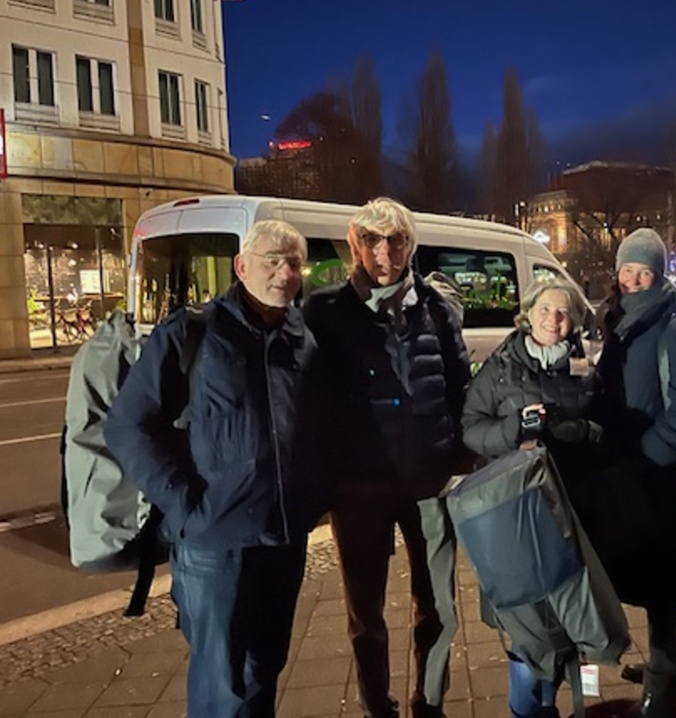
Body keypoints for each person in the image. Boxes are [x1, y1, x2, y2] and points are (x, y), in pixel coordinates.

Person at [105, 220, 330, 717]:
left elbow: (314, 429)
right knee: (219, 688)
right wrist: (186, 509)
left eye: (294, 262)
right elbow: (128, 426)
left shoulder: (301, 338)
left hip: (282, 540)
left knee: (264, 671)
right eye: (272, 259)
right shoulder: (194, 331)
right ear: (241, 266)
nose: (285, 273)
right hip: (214, 544)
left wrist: (314, 497)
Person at [302, 197, 470, 718]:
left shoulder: (437, 310)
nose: (385, 252)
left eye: (395, 240)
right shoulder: (324, 311)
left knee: (436, 606)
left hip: (428, 481)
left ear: (409, 245)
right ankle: (379, 705)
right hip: (359, 490)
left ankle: (429, 700)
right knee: (365, 616)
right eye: (372, 240)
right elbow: (307, 401)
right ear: (355, 245)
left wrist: (465, 459)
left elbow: (461, 390)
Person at [594, 228, 676, 718]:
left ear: (658, 275)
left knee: (662, 582)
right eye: (627, 269)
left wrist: (647, 452)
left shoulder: (672, 329)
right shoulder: (619, 321)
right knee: (643, 576)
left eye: (643, 271)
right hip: (626, 476)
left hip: (655, 478)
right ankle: (666, 662)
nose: (632, 278)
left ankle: (666, 675)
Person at [461, 278, 601, 718]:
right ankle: (528, 710)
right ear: (528, 313)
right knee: (526, 624)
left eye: (562, 313)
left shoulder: (584, 368)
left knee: (568, 617)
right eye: (544, 310)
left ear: (574, 320)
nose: (552, 320)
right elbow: (471, 429)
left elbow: (603, 430)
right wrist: (513, 432)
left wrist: (569, 431)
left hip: (572, 508)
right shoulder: (500, 365)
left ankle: (563, 699)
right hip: (516, 514)